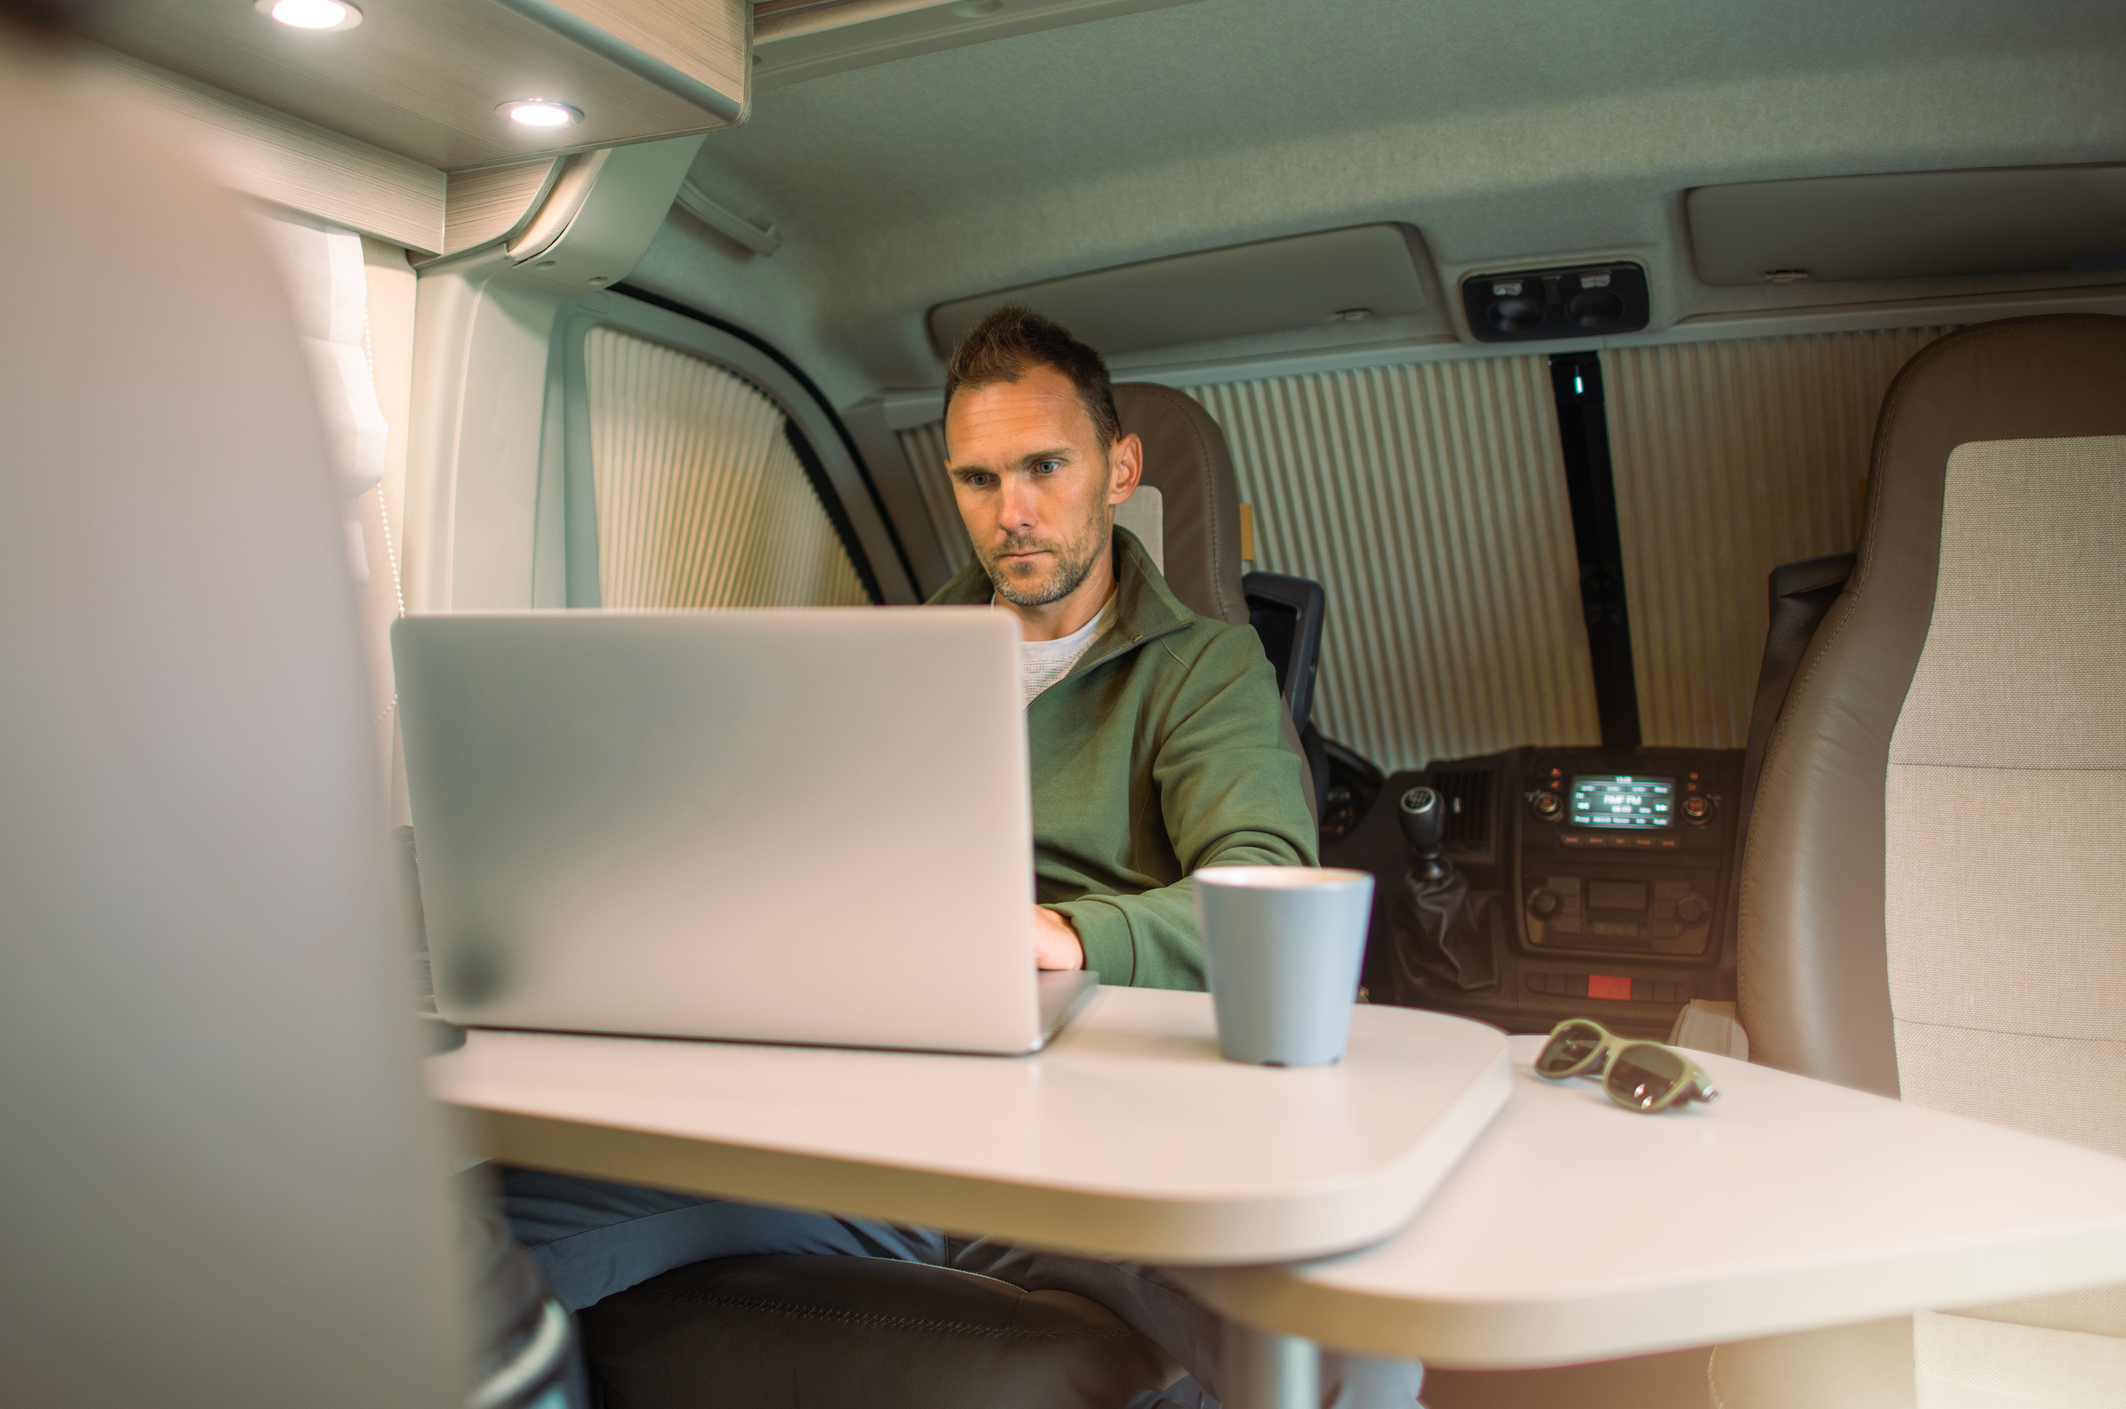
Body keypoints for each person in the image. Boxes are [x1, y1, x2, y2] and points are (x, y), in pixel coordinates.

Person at [492, 308, 1417, 1408]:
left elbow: (1263, 883)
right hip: (859, 1110)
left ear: (1118, 469)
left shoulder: (1203, 666)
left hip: (1082, 1127)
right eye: (978, 479)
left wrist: (1067, 932)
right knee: (474, 1223)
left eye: (1043, 466)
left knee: (1350, 1326)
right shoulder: (888, 656)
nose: (1011, 511)